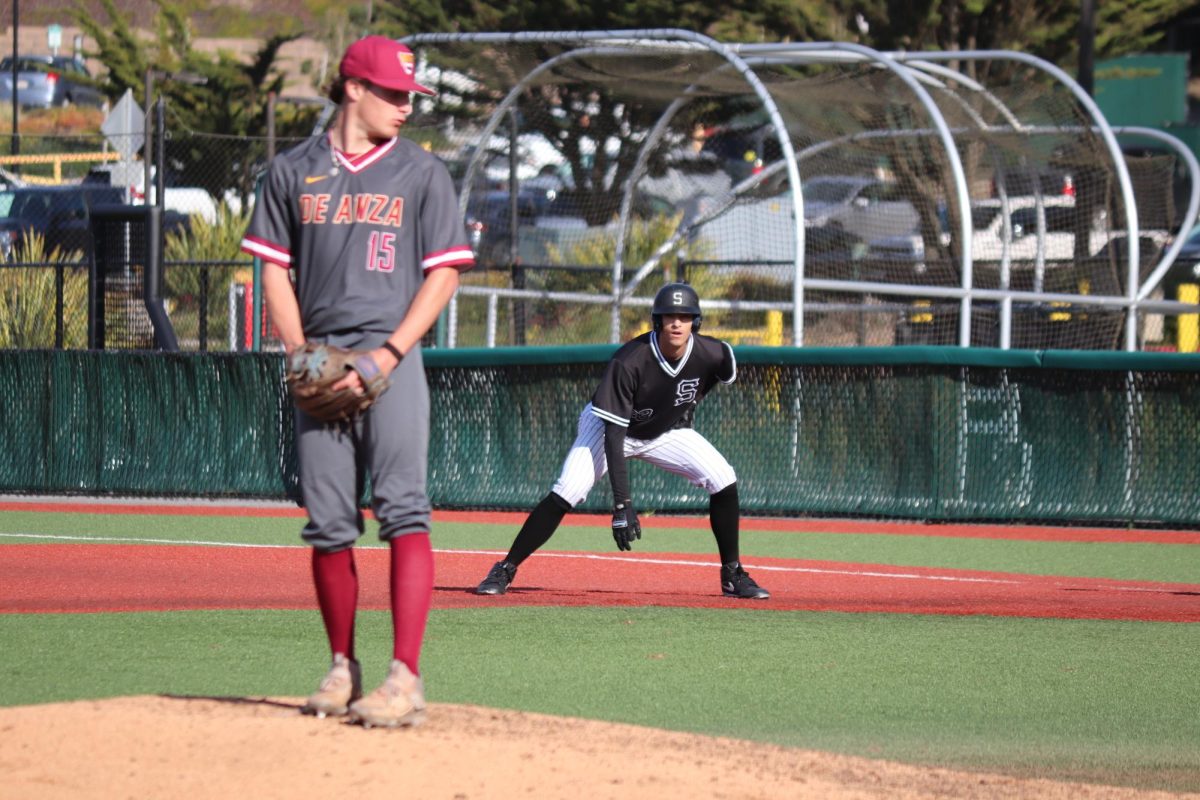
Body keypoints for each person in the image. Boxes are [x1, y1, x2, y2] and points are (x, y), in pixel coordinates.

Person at [241, 35, 475, 728]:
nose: (405, 106)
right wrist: (300, 355)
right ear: (352, 89)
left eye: (410, 96)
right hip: (322, 362)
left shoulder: (421, 174)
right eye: (393, 94)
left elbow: (446, 272)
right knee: (329, 525)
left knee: (404, 510)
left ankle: (406, 677)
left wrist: (391, 354)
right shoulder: (292, 171)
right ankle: (343, 667)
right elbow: (273, 270)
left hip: (391, 363)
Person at [475, 282, 769, 600]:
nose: (676, 323)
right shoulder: (629, 361)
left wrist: (688, 405)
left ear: (695, 322)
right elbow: (614, 437)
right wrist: (622, 505)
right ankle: (505, 568)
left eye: (685, 317)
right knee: (568, 491)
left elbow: (720, 372)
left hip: (662, 430)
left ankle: (732, 574)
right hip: (608, 428)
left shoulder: (713, 352)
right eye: (669, 315)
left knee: (723, 478)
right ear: (657, 321)